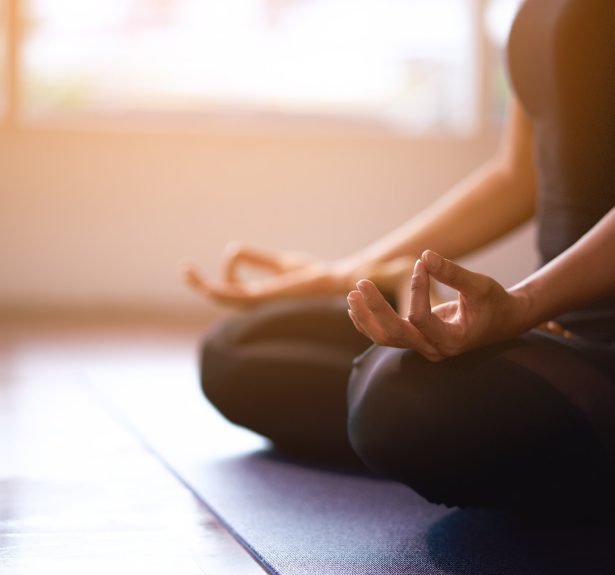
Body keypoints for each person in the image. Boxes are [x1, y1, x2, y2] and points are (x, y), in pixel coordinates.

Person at [184, 0, 615, 514]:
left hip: (594, 342)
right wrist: (350, 271)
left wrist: (522, 305)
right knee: (240, 352)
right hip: (550, 326)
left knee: (400, 401)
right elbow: (518, 174)